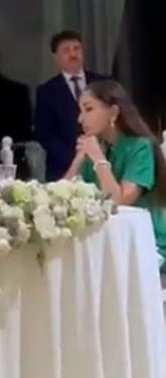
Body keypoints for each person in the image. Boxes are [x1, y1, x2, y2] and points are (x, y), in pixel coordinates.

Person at [64, 80, 166, 269]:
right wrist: (78, 159)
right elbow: (63, 195)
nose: (80, 119)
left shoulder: (141, 147)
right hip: (106, 241)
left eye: (88, 109)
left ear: (113, 112)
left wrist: (98, 159)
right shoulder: (97, 145)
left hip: (144, 243)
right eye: (80, 111)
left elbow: (120, 201)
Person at [36, 30, 105, 181]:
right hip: (63, 167)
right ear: (55, 57)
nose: (73, 54)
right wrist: (77, 156)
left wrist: (98, 153)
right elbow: (45, 134)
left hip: (104, 161)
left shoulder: (102, 83)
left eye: (77, 49)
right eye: (66, 50)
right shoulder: (47, 91)